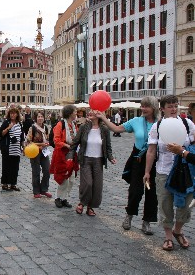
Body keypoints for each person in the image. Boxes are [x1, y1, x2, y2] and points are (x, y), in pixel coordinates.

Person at [96, 96, 159, 234]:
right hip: (138, 159)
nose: (143, 109)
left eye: (146, 106)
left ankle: (146, 222)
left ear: (154, 108)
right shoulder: (136, 121)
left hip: (155, 161)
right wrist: (104, 118)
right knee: (135, 191)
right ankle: (129, 216)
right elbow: (117, 129)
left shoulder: (161, 123)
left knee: (152, 193)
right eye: (142, 106)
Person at [144, 95, 194, 251]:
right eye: (170, 106)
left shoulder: (187, 124)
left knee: (186, 204)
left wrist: (184, 152)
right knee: (165, 204)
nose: (173, 109)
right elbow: (151, 151)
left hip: (184, 171)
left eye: (175, 106)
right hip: (163, 170)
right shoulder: (157, 126)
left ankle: (177, 231)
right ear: (162, 109)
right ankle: (167, 237)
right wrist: (147, 172)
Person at [69, 109, 116, 216]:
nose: (90, 112)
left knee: (97, 186)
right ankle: (82, 202)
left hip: (98, 161)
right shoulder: (83, 127)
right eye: (89, 111)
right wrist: (71, 156)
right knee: (88, 183)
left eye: (93, 111)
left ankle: (90, 207)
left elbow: (108, 147)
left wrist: (110, 157)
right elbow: (75, 143)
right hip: (85, 159)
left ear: (99, 114)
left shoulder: (104, 130)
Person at [50, 104, 78, 208]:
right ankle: (59, 198)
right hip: (62, 153)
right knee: (63, 177)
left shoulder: (74, 125)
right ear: (70, 113)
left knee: (72, 179)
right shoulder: (60, 124)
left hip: (71, 153)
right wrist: (66, 145)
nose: (76, 113)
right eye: (75, 111)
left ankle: (64, 197)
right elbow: (56, 140)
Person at [26, 110, 52, 198]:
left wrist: (47, 144)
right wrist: (40, 145)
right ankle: (36, 191)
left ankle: (44, 189)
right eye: (38, 117)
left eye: (41, 116)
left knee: (47, 170)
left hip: (44, 151)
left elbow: (48, 139)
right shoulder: (32, 128)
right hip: (34, 152)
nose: (40, 118)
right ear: (35, 118)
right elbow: (29, 142)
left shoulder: (46, 128)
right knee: (36, 171)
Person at [0, 107, 24, 191]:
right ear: (9, 114)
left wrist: (23, 146)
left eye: (14, 113)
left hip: (16, 149)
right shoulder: (6, 122)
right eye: (11, 113)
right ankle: (5, 183)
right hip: (7, 148)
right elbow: (0, 134)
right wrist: (9, 127)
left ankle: (13, 184)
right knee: (6, 166)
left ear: (17, 114)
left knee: (15, 167)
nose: (13, 115)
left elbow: (21, 136)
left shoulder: (19, 123)